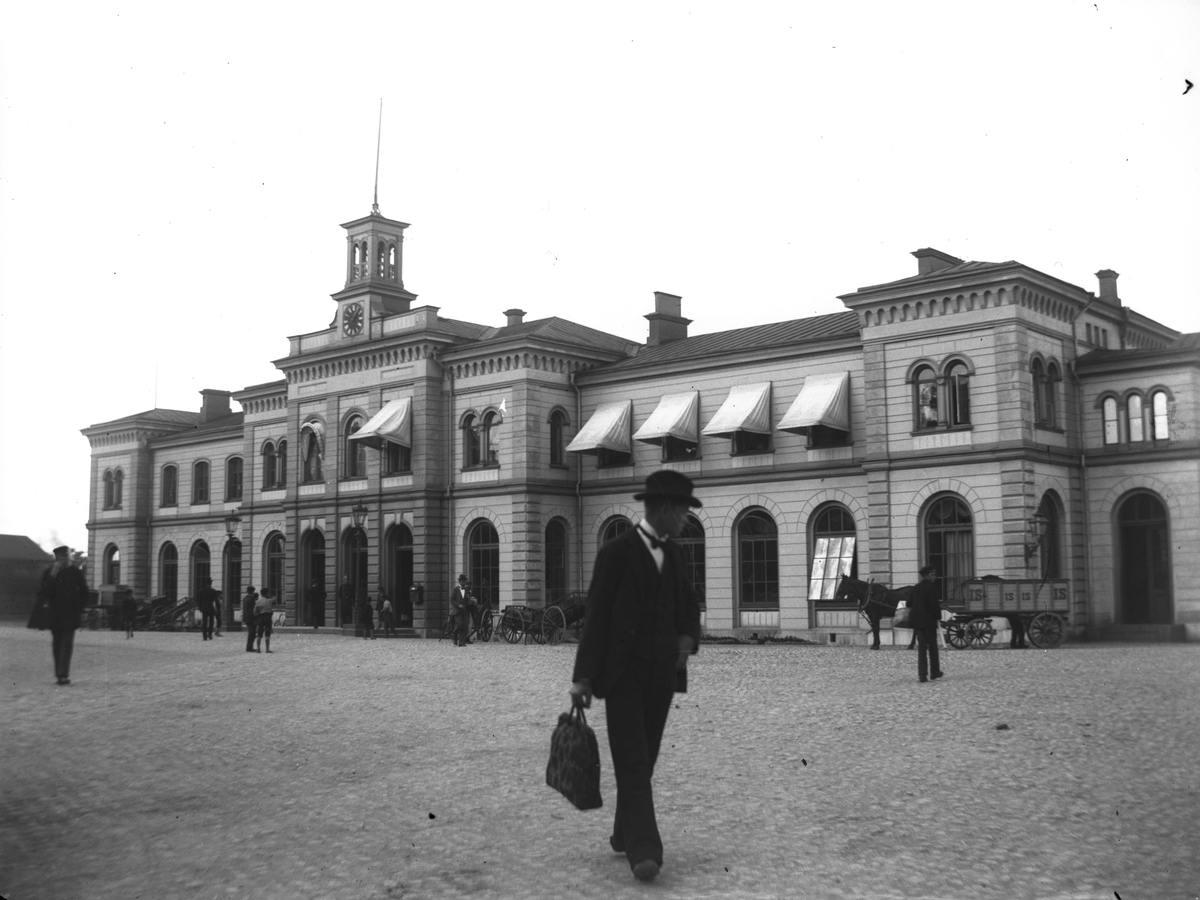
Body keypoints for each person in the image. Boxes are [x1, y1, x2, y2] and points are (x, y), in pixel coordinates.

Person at [569, 470, 703, 883]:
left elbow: (688, 603)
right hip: (623, 676)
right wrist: (583, 678)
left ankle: (622, 831)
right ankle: (645, 850)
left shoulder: (676, 553)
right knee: (632, 760)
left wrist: (687, 638)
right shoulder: (616, 553)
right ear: (664, 510)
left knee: (645, 760)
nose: (684, 520)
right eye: (682, 511)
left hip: (662, 676)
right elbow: (596, 617)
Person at [38, 546, 89, 685]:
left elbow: (84, 591)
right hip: (55, 614)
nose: (65, 559)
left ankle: (63, 674)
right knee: (57, 645)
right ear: (57, 558)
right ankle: (59, 674)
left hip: (71, 613)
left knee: (66, 643)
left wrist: (79, 607)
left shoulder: (75, 572)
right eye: (62, 557)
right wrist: (52, 576)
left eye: (66, 556)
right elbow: (44, 593)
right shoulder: (49, 573)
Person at [909, 565, 944, 683]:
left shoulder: (916, 588)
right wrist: (938, 617)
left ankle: (922, 674)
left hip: (918, 623)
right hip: (929, 622)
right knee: (933, 647)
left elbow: (909, 603)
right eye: (932, 574)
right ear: (926, 576)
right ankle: (934, 671)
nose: (934, 577)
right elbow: (935, 606)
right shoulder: (932, 588)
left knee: (922, 649)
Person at [449, 575, 473, 646]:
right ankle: (454, 638)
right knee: (459, 625)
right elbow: (452, 600)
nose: (464, 583)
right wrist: (458, 605)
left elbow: (468, 598)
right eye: (462, 581)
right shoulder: (455, 590)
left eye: (464, 581)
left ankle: (462, 642)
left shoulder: (466, 590)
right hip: (457, 610)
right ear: (459, 582)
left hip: (465, 610)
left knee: (465, 626)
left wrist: (469, 602)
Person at [254, 588, 274, 653]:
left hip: (260, 617)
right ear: (266, 593)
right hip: (267, 617)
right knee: (267, 633)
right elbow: (275, 598)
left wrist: (258, 615)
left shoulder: (257, 601)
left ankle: (258, 649)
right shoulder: (269, 601)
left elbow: (254, 612)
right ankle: (267, 649)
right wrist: (269, 596)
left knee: (259, 634)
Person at [242, 585, 259, 652]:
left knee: (251, 633)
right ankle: (249, 647)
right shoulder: (251, 599)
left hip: (246, 618)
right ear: (253, 591)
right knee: (251, 633)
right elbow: (251, 611)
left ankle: (249, 647)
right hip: (251, 618)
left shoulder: (245, 598)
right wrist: (254, 619)